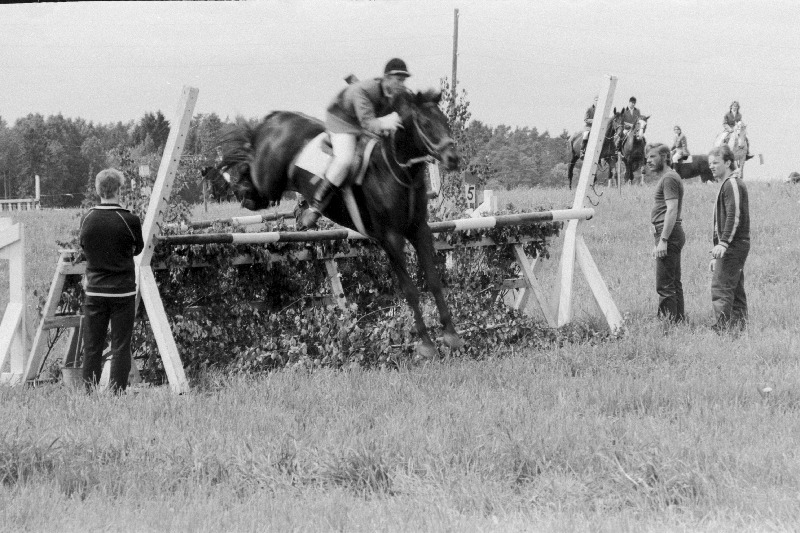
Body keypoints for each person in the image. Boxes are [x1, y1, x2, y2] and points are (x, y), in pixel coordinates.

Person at [300, 58, 411, 228]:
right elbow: (368, 123)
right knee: (345, 160)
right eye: (398, 80)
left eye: (403, 80)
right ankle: (316, 206)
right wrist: (386, 123)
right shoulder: (365, 90)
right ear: (387, 78)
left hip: (362, 121)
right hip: (341, 120)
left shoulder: (394, 94)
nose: (401, 84)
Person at [79, 168, 144, 393]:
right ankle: (117, 391)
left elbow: (84, 247)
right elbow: (138, 249)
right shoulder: (130, 219)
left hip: (95, 291)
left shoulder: (87, 218)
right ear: (119, 189)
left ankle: (89, 392)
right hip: (122, 291)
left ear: (98, 190)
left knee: (92, 345)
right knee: (121, 346)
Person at [707, 145, 750, 332]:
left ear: (728, 162)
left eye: (716, 162)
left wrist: (723, 243)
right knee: (735, 289)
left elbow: (734, 215)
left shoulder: (732, 183)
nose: (711, 166)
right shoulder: (729, 183)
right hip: (733, 245)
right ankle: (739, 330)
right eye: (710, 163)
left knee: (721, 287)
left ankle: (722, 330)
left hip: (733, 244)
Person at [648, 144, 685, 323]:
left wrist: (663, 240)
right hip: (668, 233)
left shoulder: (669, 178)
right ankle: (678, 321)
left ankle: (667, 325)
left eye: (653, 157)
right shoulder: (669, 177)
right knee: (673, 282)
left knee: (664, 284)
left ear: (664, 157)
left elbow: (672, 209)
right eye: (647, 157)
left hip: (668, 234)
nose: (649, 161)